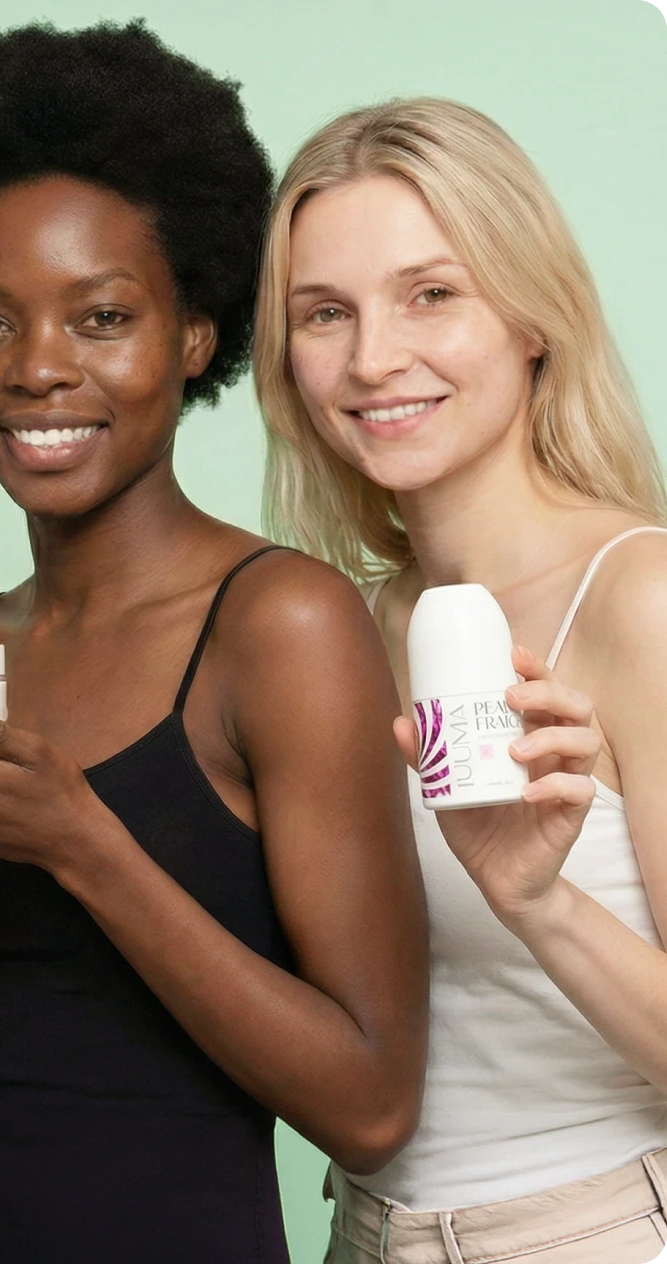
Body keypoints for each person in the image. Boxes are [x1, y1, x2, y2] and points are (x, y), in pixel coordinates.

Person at [0, 24, 428, 1262]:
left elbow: (369, 1105)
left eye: (100, 317)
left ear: (192, 337)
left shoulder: (281, 626)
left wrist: (80, 843)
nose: (38, 369)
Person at [260, 96, 667, 1262]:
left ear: (532, 317)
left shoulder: (635, 597)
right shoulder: (331, 626)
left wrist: (536, 899)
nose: (373, 357)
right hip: (362, 1230)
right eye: (323, 313)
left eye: (429, 294)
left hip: (590, 1229)